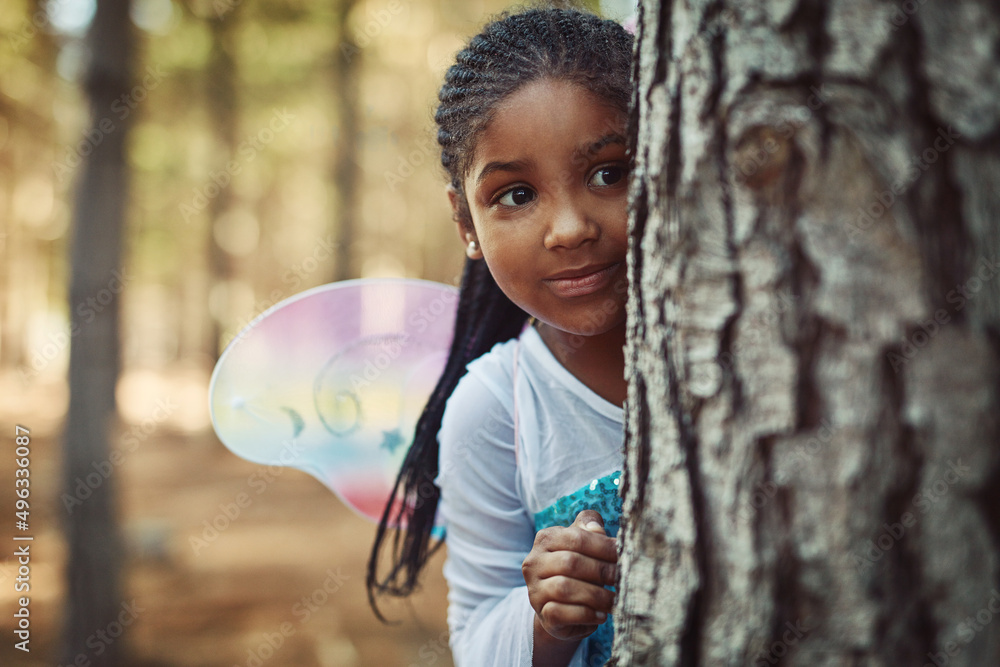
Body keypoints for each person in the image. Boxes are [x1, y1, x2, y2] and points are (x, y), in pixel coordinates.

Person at [367, 6, 633, 666]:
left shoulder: (755, 344)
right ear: (465, 221)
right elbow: (479, 642)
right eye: (516, 194)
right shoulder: (494, 410)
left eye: (610, 172)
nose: (570, 227)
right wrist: (545, 614)